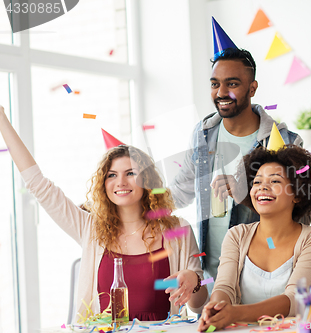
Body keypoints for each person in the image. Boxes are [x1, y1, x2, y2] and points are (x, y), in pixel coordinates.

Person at [0, 105, 208, 320]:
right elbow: (39, 185)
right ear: (103, 183)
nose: (120, 182)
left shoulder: (178, 229)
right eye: (111, 175)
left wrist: (194, 281)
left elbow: (199, 304)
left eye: (130, 173)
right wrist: (1, 118)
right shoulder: (90, 228)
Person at [169, 47, 303, 286]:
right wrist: (122, 203)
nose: (221, 92)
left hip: (265, 280)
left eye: (231, 84)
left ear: (252, 88)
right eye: (214, 84)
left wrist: (246, 193)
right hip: (211, 280)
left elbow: (301, 215)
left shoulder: (286, 142)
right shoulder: (203, 135)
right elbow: (180, 192)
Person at [197, 145, 311, 331]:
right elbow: (224, 287)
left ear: (297, 194)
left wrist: (234, 313)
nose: (263, 188)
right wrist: (216, 308)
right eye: (257, 182)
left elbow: (295, 300)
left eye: (275, 181)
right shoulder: (236, 235)